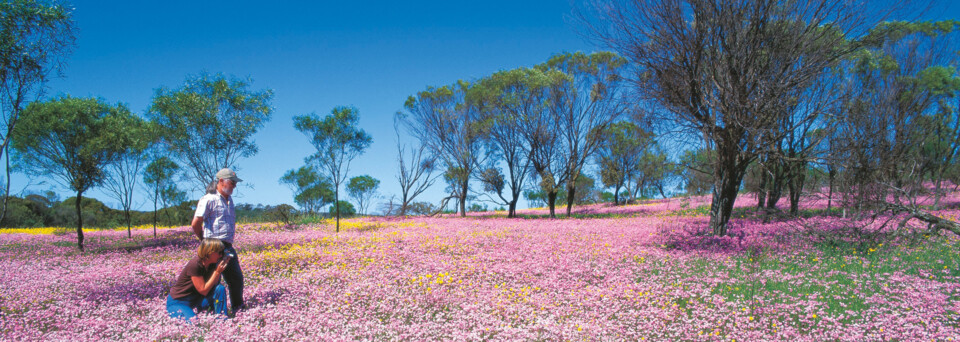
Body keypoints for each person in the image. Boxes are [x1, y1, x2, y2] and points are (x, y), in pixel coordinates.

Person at [192, 168, 245, 314]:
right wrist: (204, 241)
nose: (234, 185)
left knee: (236, 279)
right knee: (213, 281)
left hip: (227, 246)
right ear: (221, 181)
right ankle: (210, 311)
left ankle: (238, 309)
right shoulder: (208, 199)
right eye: (232, 182)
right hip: (213, 246)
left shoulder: (230, 201)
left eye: (235, 183)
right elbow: (195, 223)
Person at [166, 238, 230, 322]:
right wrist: (217, 272)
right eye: (219, 252)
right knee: (193, 322)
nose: (221, 255)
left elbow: (214, 285)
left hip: (196, 300)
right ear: (210, 252)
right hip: (179, 301)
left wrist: (219, 269)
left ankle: (222, 319)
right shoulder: (195, 265)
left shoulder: (212, 264)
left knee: (220, 288)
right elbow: (203, 290)